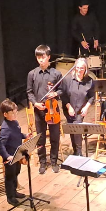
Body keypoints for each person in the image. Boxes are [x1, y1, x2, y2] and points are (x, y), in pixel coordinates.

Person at [27, 45, 63, 173]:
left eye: (43, 57)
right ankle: (42, 162)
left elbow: (62, 89)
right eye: (38, 57)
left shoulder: (56, 73)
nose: (41, 60)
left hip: (53, 109)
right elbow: (29, 92)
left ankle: (54, 161)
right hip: (39, 110)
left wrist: (56, 93)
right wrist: (35, 103)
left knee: (55, 136)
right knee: (40, 138)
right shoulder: (32, 74)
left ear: (48, 57)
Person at [0, 99, 29, 206]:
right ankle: (10, 197)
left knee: (16, 173)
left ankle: (14, 192)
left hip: (17, 154)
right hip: (10, 156)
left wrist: (25, 136)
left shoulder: (15, 122)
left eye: (16, 112)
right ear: (5, 114)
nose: (16, 114)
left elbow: (17, 134)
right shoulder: (5, 129)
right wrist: (7, 156)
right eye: (13, 113)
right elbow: (0, 145)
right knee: (10, 177)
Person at [60, 58, 95, 157]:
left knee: (77, 128)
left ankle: (79, 151)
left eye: (82, 68)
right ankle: (75, 150)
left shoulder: (89, 81)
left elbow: (92, 96)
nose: (79, 70)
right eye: (78, 68)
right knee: (72, 129)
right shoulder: (67, 79)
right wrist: (69, 107)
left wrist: (86, 107)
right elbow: (63, 95)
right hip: (69, 108)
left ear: (85, 69)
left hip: (80, 109)